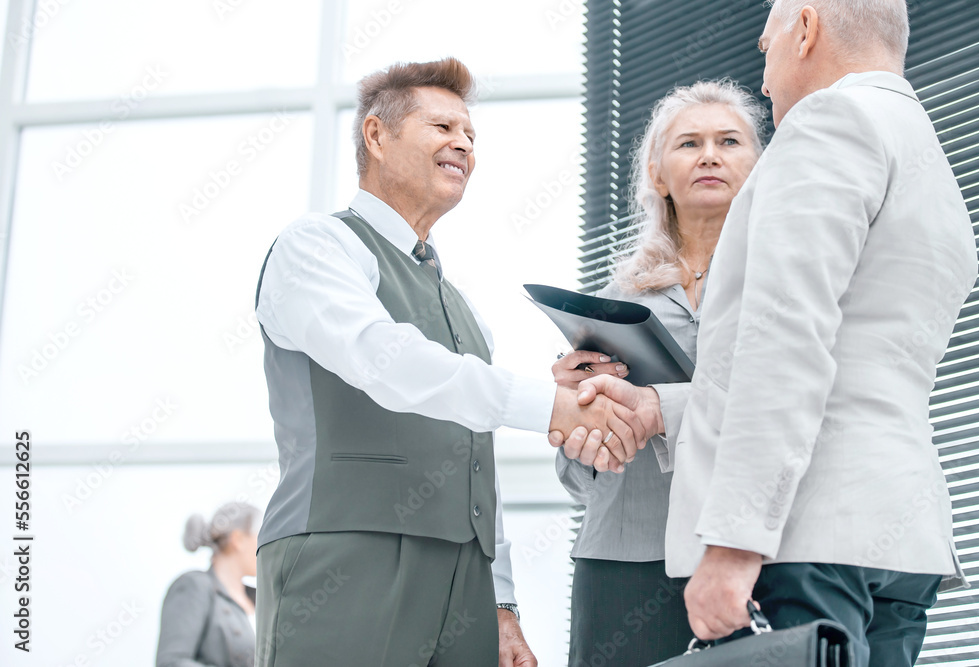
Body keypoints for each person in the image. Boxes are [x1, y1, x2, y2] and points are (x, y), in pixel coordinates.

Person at [552, 1, 979, 665]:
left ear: (805, 29)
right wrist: (656, 405)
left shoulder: (828, 123)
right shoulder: (927, 159)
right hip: (901, 546)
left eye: (766, 45)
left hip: (812, 538)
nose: (768, 77)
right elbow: (848, 361)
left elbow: (785, 345)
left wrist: (733, 543)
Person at [252, 58, 644, 667]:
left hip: (465, 584)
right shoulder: (316, 246)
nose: (462, 143)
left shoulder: (463, 308)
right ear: (376, 137)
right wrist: (551, 407)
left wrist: (502, 606)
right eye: (441, 127)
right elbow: (385, 361)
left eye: (470, 134)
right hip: (346, 561)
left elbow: (474, 459)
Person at [552, 79, 766, 666]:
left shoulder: (787, 286)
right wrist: (579, 411)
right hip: (623, 562)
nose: (710, 156)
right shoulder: (609, 304)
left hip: (746, 553)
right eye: (689, 144)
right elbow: (575, 478)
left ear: (759, 165)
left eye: (729, 141)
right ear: (657, 174)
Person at [156, 502, 261, 667]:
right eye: (260, 536)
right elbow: (171, 662)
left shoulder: (262, 600)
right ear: (238, 539)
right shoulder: (194, 587)